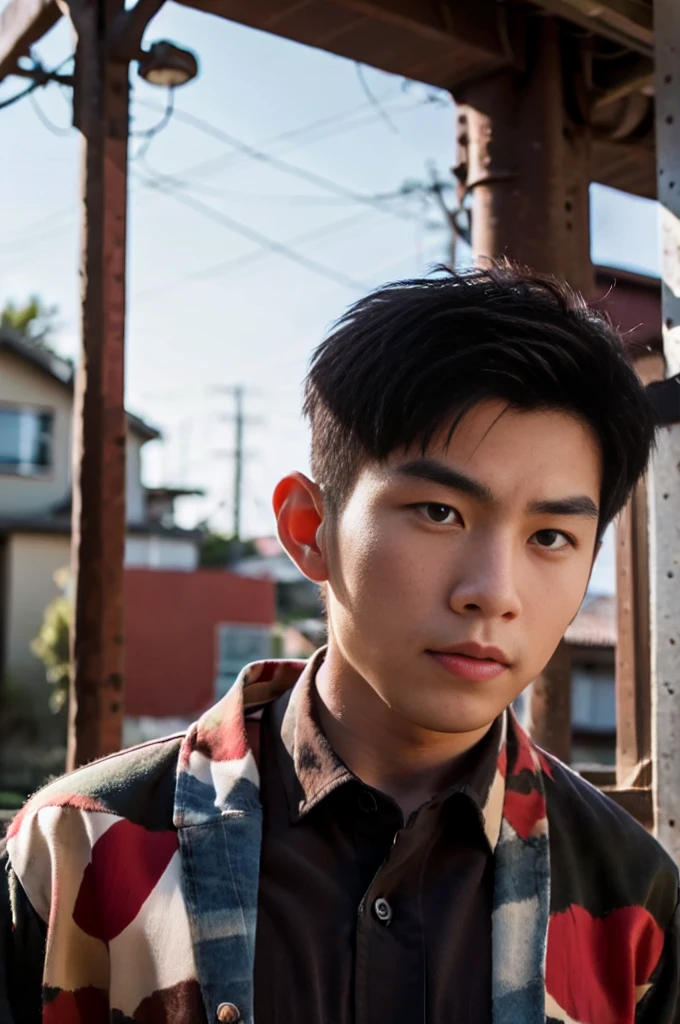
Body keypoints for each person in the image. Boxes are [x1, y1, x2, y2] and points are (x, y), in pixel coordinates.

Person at [0, 262, 677, 1024]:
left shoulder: (633, 901)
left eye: (551, 535)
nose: (494, 590)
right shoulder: (76, 853)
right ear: (307, 529)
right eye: (439, 513)